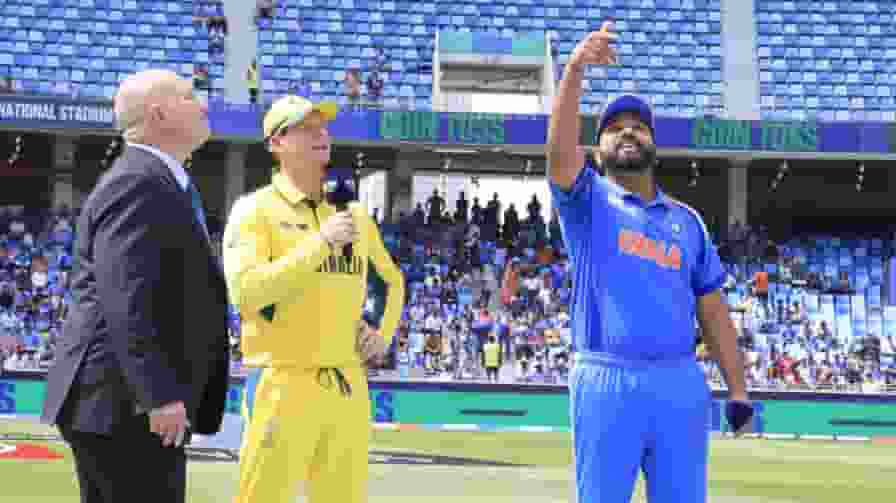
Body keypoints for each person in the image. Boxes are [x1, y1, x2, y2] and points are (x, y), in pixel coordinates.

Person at [546, 22, 753, 503]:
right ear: (597, 150)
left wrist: (738, 388)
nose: (628, 133)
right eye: (615, 128)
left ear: (654, 145)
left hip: (678, 381)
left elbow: (713, 309)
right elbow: (558, 154)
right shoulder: (586, 201)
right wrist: (575, 68)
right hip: (605, 377)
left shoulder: (689, 222)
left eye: (638, 127)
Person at [40, 69, 230, 503]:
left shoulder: (160, 180)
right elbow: (126, 297)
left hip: (128, 403)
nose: (203, 104)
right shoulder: (139, 181)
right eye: (189, 96)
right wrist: (158, 394)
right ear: (159, 112)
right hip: (122, 406)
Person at [223, 95, 406, 503]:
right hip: (281, 380)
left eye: (322, 126)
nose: (320, 133)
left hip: (346, 384)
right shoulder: (254, 211)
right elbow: (247, 294)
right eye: (305, 127)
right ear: (276, 143)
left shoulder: (355, 214)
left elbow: (392, 282)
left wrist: (382, 331)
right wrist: (320, 243)